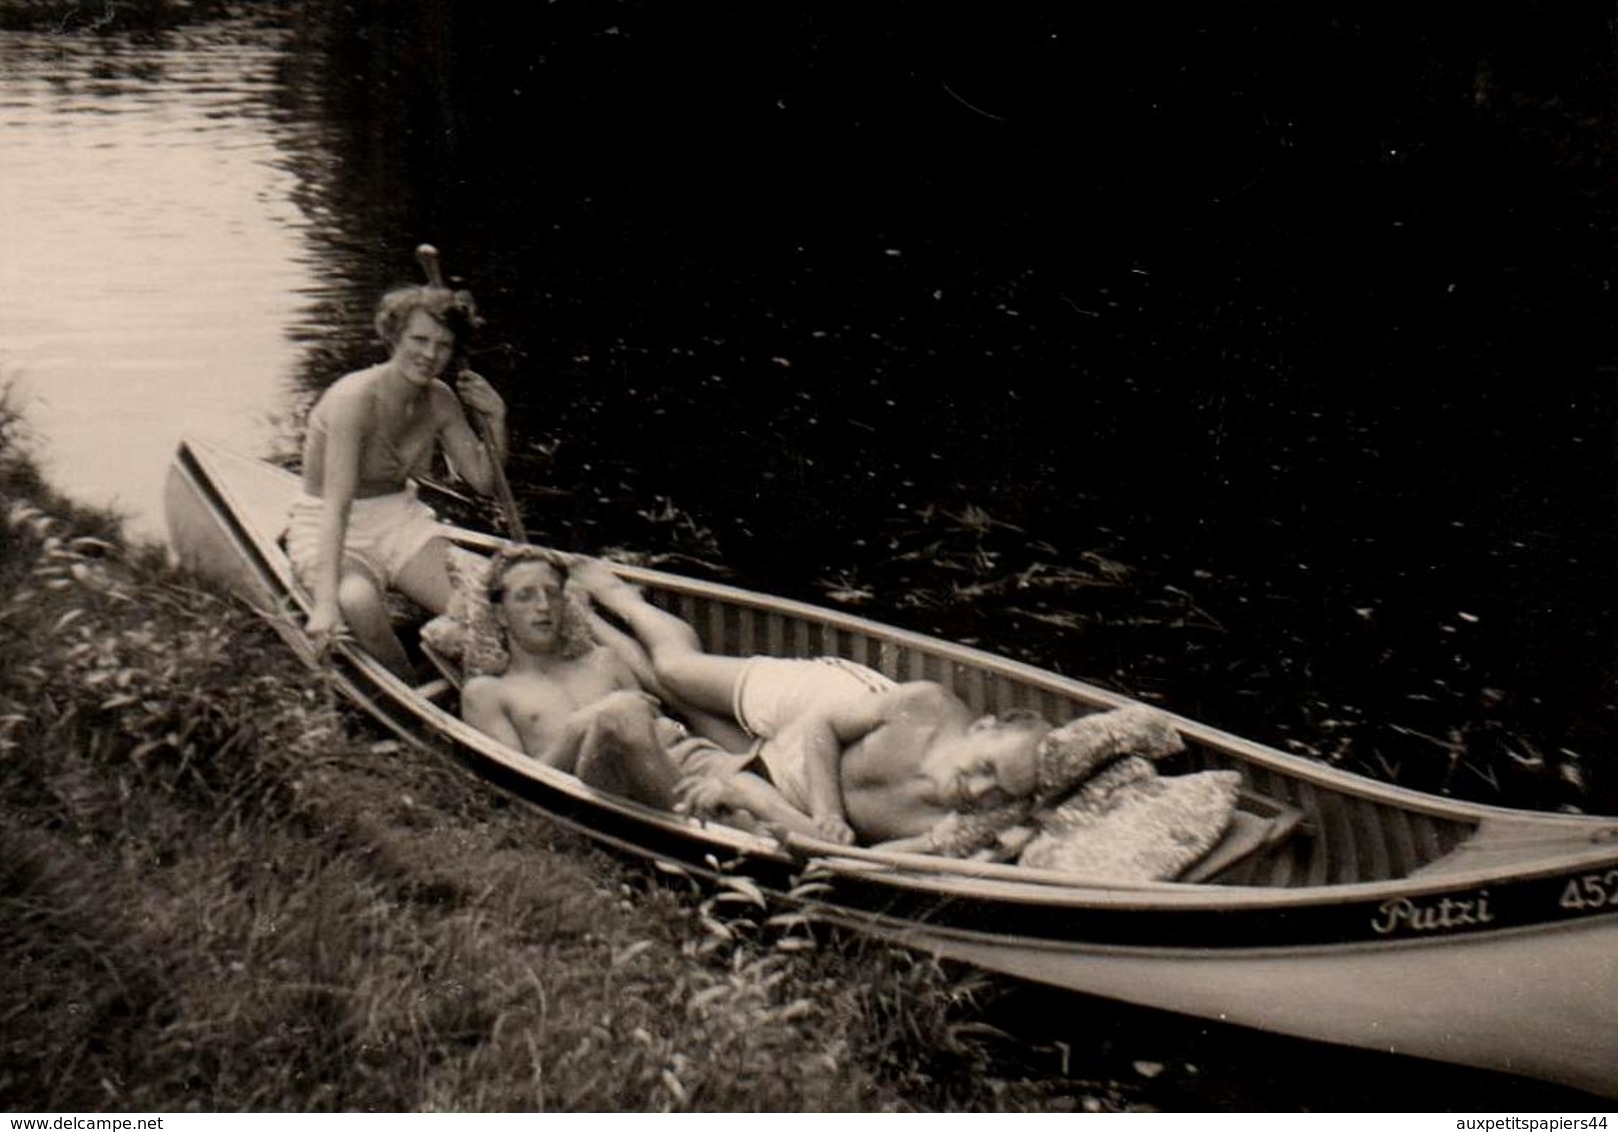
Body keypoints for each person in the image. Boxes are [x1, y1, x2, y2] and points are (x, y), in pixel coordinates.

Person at [568, 557, 1076, 850]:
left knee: (684, 710)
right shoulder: (926, 708)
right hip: (827, 707)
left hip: (795, 781)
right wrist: (829, 813)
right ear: (983, 727)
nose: (979, 789)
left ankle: (589, 627)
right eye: (986, 766)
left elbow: (867, 862)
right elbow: (821, 727)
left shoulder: (953, 826)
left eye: (998, 791)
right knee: (677, 673)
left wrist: (804, 817)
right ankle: (621, 598)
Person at [286, 284, 510, 678]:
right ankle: (408, 692)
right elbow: (336, 507)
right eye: (418, 339)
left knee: (480, 604)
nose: (429, 354)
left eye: (442, 344)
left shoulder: (441, 399)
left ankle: (499, 681)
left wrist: (496, 418)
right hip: (331, 522)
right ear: (393, 337)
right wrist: (324, 605)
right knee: (357, 603)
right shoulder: (353, 399)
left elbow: (484, 481)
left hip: (399, 520)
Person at [459, 547, 754, 808]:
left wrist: (679, 733)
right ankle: (705, 822)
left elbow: (657, 725)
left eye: (552, 593)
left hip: (684, 759)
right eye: (525, 596)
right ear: (499, 614)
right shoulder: (487, 692)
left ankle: (782, 836)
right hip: (609, 788)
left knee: (759, 792)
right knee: (620, 711)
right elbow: (519, 784)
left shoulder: (604, 661)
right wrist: (580, 727)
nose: (543, 606)